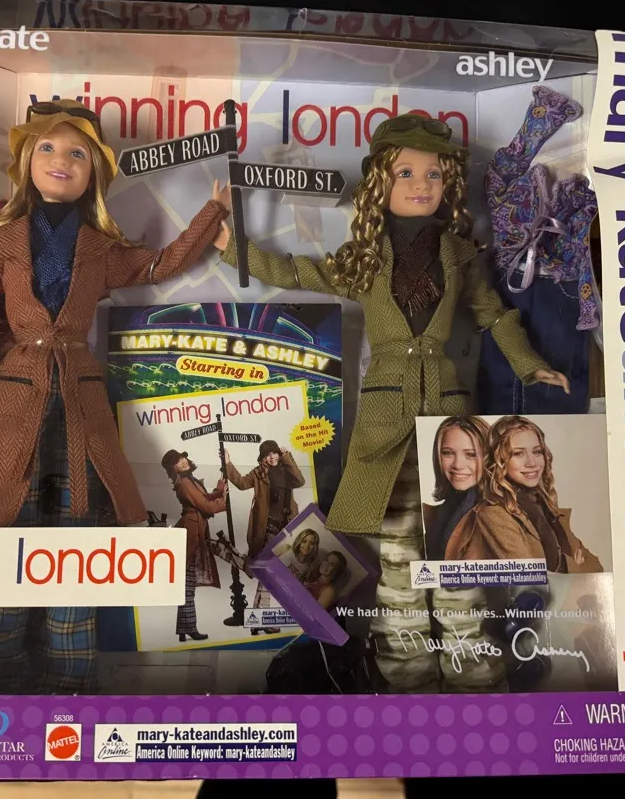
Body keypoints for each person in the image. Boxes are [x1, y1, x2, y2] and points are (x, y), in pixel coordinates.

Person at [0, 99, 231, 694]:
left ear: (94, 172)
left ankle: (71, 691)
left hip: (79, 394)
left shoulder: (99, 248)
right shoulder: (5, 243)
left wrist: (213, 211)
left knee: (77, 547)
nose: (60, 160)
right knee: (7, 548)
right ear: (26, 161)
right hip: (19, 392)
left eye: (77, 153)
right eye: (46, 147)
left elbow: (159, 264)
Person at [212, 112, 568, 691]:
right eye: (406, 172)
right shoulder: (366, 257)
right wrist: (235, 249)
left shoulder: (458, 254)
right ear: (382, 180)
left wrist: (530, 364)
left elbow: (493, 314)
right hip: (385, 421)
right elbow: (302, 272)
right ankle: (406, 679)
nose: (421, 184)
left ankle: (476, 680)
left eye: (433, 174)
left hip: (451, 424)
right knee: (398, 557)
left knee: (459, 555)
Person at [464, 416, 603, 573]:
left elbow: (596, 568)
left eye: (537, 452)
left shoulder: (544, 506)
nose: (532, 463)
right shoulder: (493, 513)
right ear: (499, 459)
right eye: (518, 453)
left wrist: (565, 569)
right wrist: (572, 566)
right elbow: (530, 577)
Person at [225, 441, 305, 632]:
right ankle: (262, 621)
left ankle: (257, 620)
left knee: (268, 572)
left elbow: (300, 481)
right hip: (268, 528)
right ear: (262, 458)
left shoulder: (286, 469)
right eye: (268, 455)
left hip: (287, 527)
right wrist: (227, 463)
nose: (272, 457)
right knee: (269, 572)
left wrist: (287, 457)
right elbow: (241, 483)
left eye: (275, 453)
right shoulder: (258, 473)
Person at [162, 449, 225, 642]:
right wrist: (224, 501)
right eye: (177, 461)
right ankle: (188, 627)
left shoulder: (190, 480)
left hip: (195, 529)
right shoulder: (186, 483)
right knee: (187, 584)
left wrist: (220, 488)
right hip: (192, 533)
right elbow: (206, 506)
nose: (183, 461)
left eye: (183, 457)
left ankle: (185, 628)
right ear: (173, 468)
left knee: (187, 584)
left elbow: (204, 498)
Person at [423, 415, 491, 560]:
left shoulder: (495, 514)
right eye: (447, 453)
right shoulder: (437, 513)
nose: (458, 465)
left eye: (470, 454)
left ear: (489, 458)